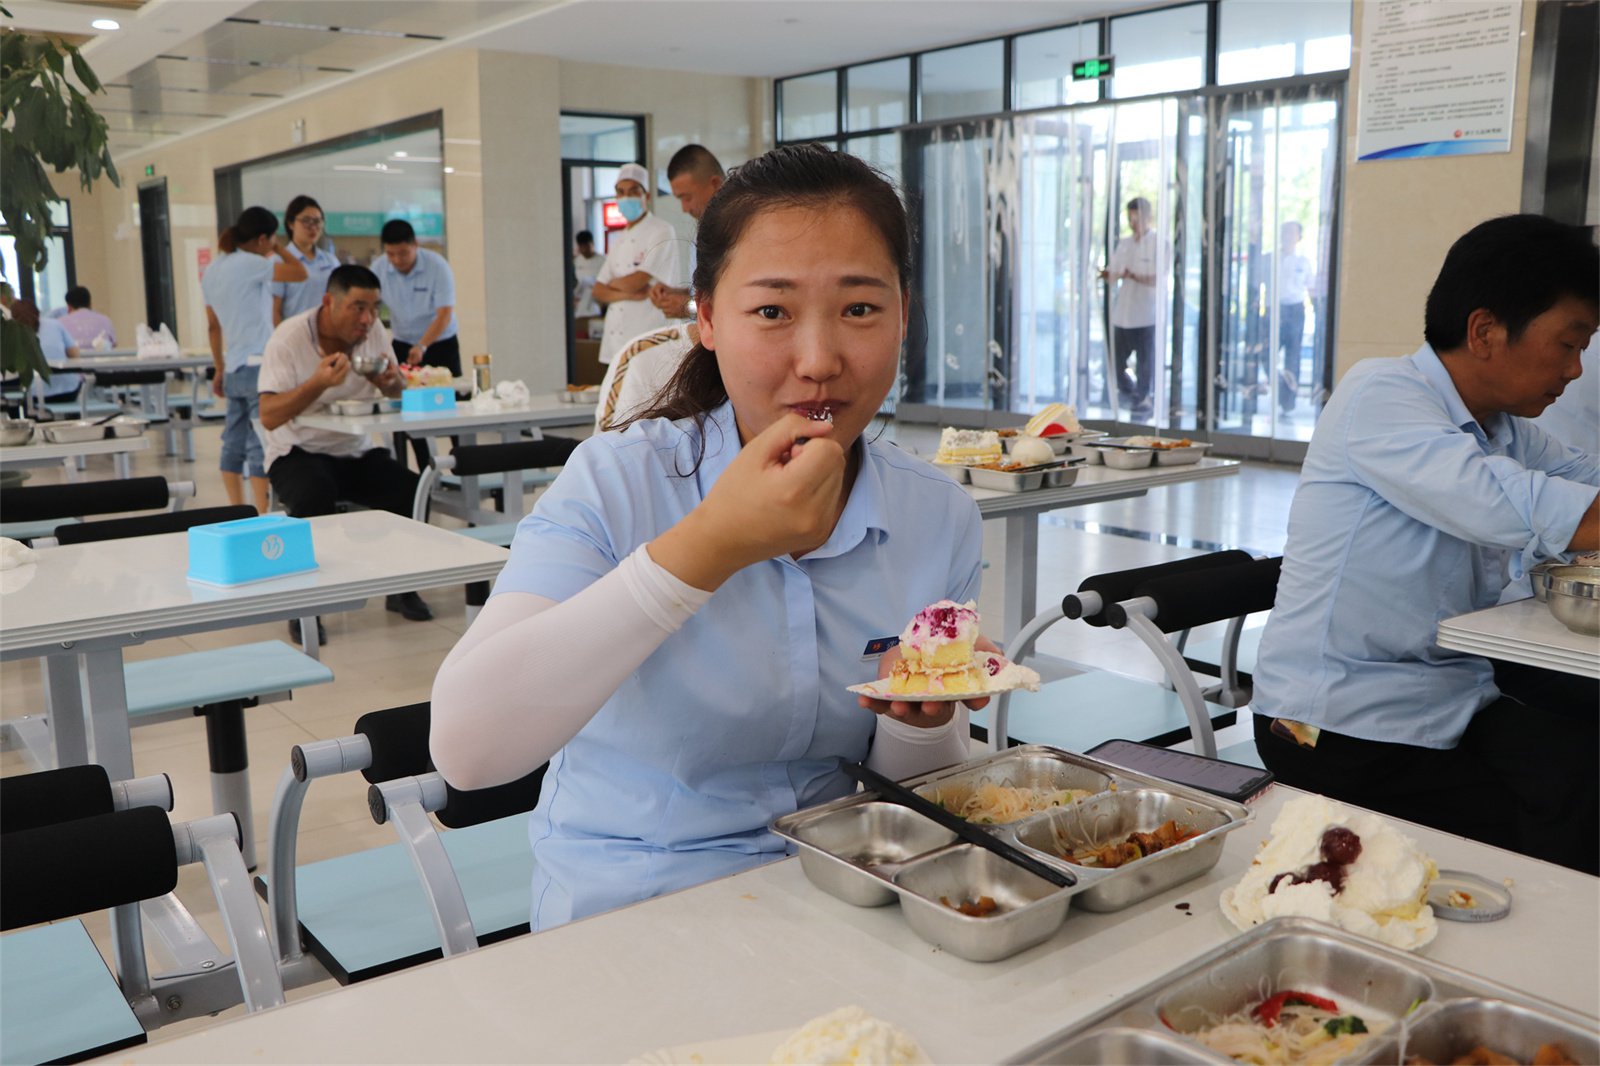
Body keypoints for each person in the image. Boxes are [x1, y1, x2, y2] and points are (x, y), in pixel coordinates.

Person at [430, 144, 993, 930]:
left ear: (903, 312)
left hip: (850, 894)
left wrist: (916, 718)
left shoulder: (939, 516)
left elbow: (922, 788)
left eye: (860, 308)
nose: (820, 359)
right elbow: (467, 749)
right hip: (634, 908)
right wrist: (709, 546)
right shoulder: (617, 483)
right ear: (704, 318)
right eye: (772, 311)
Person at [1250, 214, 1599, 874]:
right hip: (1335, 723)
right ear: (1486, 332)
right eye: (1568, 344)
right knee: (1538, 837)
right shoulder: (1380, 395)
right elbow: (1519, 505)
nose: (1577, 370)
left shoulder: (1503, 426)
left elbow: (1584, 478)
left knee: (1582, 769)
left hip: (1449, 695)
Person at [258, 264, 434, 633]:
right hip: (297, 450)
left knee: (413, 489)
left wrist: (389, 383)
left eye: (374, 308)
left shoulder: (373, 333)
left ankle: (402, 587)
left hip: (355, 449)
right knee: (313, 493)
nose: (368, 318)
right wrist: (317, 383)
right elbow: (269, 415)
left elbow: (398, 390)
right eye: (358, 307)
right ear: (329, 302)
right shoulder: (288, 338)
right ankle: (305, 608)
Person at [202, 206, 307, 515]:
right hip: (258, 364)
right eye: (271, 240)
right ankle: (261, 511)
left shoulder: (213, 269)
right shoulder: (251, 263)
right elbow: (301, 273)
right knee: (260, 442)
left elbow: (212, 325)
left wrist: (219, 368)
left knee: (232, 442)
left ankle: (236, 509)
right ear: (263, 238)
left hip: (233, 365)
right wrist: (277, 249)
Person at [592, 162, 683, 365]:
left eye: (634, 191)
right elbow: (598, 290)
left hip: (648, 333)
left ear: (647, 196)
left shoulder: (661, 231)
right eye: (621, 192)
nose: (626, 197)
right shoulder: (619, 239)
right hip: (616, 340)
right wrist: (627, 294)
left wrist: (615, 284)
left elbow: (638, 280)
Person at [1099, 197, 1163, 418]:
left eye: (1136, 218)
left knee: (1145, 364)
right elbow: (1114, 274)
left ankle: (1142, 399)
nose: (1132, 222)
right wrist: (1107, 274)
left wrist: (1133, 275)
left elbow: (1158, 278)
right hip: (1123, 315)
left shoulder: (1158, 243)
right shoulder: (1124, 244)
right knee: (1115, 362)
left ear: (1147, 217)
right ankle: (1132, 393)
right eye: (1130, 218)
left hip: (1146, 314)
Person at [372, 219, 459, 376]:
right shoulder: (378, 269)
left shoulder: (438, 267)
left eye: (403, 253)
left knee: (447, 393)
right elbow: (371, 308)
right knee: (401, 393)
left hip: (440, 343)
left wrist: (422, 346)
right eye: (391, 254)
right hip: (402, 342)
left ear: (415, 245)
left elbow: (445, 314)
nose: (397, 260)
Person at [648, 144, 725, 320]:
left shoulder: (739, 229)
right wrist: (674, 293)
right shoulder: (703, 228)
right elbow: (704, 291)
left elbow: (736, 301)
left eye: (687, 198)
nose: (684, 208)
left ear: (715, 184)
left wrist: (687, 307)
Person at [273, 195, 340, 325]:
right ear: (291, 224)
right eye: (306, 221)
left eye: (317, 221)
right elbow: (274, 310)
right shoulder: (280, 262)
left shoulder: (330, 261)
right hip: (294, 336)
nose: (313, 227)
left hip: (326, 335)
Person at [1273, 220, 1315, 413]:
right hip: (1275, 309)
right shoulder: (1271, 258)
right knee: (1268, 353)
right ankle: (1279, 384)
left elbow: (1311, 288)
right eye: (1285, 231)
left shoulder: (1303, 262)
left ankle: (1288, 403)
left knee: (1293, 356)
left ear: (1299, 237)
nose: (1289, 235)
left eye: (1293, 232)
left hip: (1296, 310)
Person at [12, 299, 82, 403]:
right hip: (69, 390)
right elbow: (75, 354)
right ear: (38, 313)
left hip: (37, 394)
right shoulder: (55, 324)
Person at [572, 230, 606, 319]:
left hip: (597, 300)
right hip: (579, 301)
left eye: (586, 246)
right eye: (581, 247)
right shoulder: (576, 262)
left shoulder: (603, 261)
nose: (584, 250)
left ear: (592, 244)